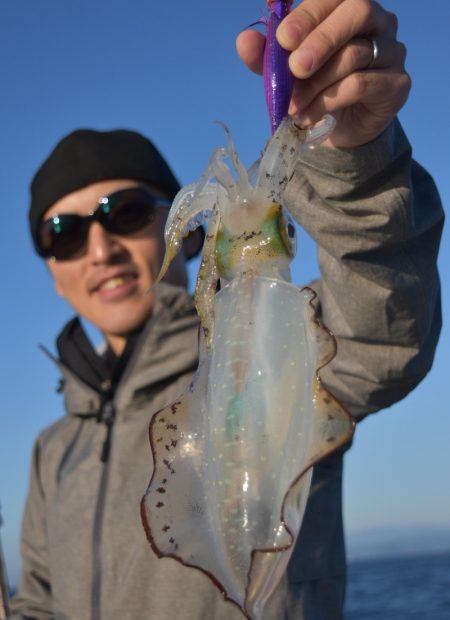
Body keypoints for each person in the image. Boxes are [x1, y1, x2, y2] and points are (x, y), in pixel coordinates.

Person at [10, 1, 444, 619]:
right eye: (64, 233)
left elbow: (382, 338)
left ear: (186, 232)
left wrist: (356, 163)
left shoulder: (294, 348)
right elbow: (41, 604)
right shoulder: (53, 452)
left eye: (126, 213)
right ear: (52, 274)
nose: (100, 249)